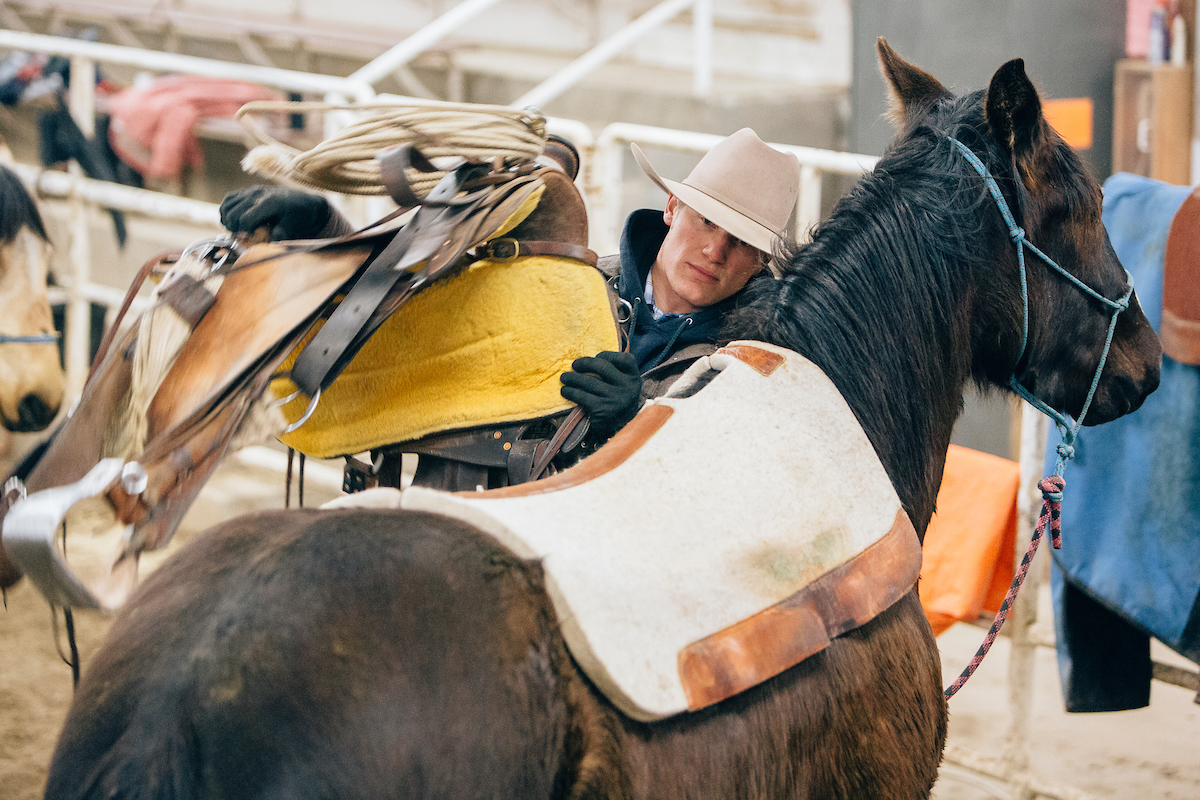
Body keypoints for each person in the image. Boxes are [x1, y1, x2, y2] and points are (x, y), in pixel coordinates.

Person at [219, 128, 799, 486]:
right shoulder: (567, 280)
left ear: (760, 262)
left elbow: (727, 490)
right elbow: (417, 320)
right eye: (707, 222)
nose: (716, 251)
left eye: (742, 242)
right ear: (673, 208)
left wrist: (638, 420)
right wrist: (325, 236)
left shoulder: (748, 367)